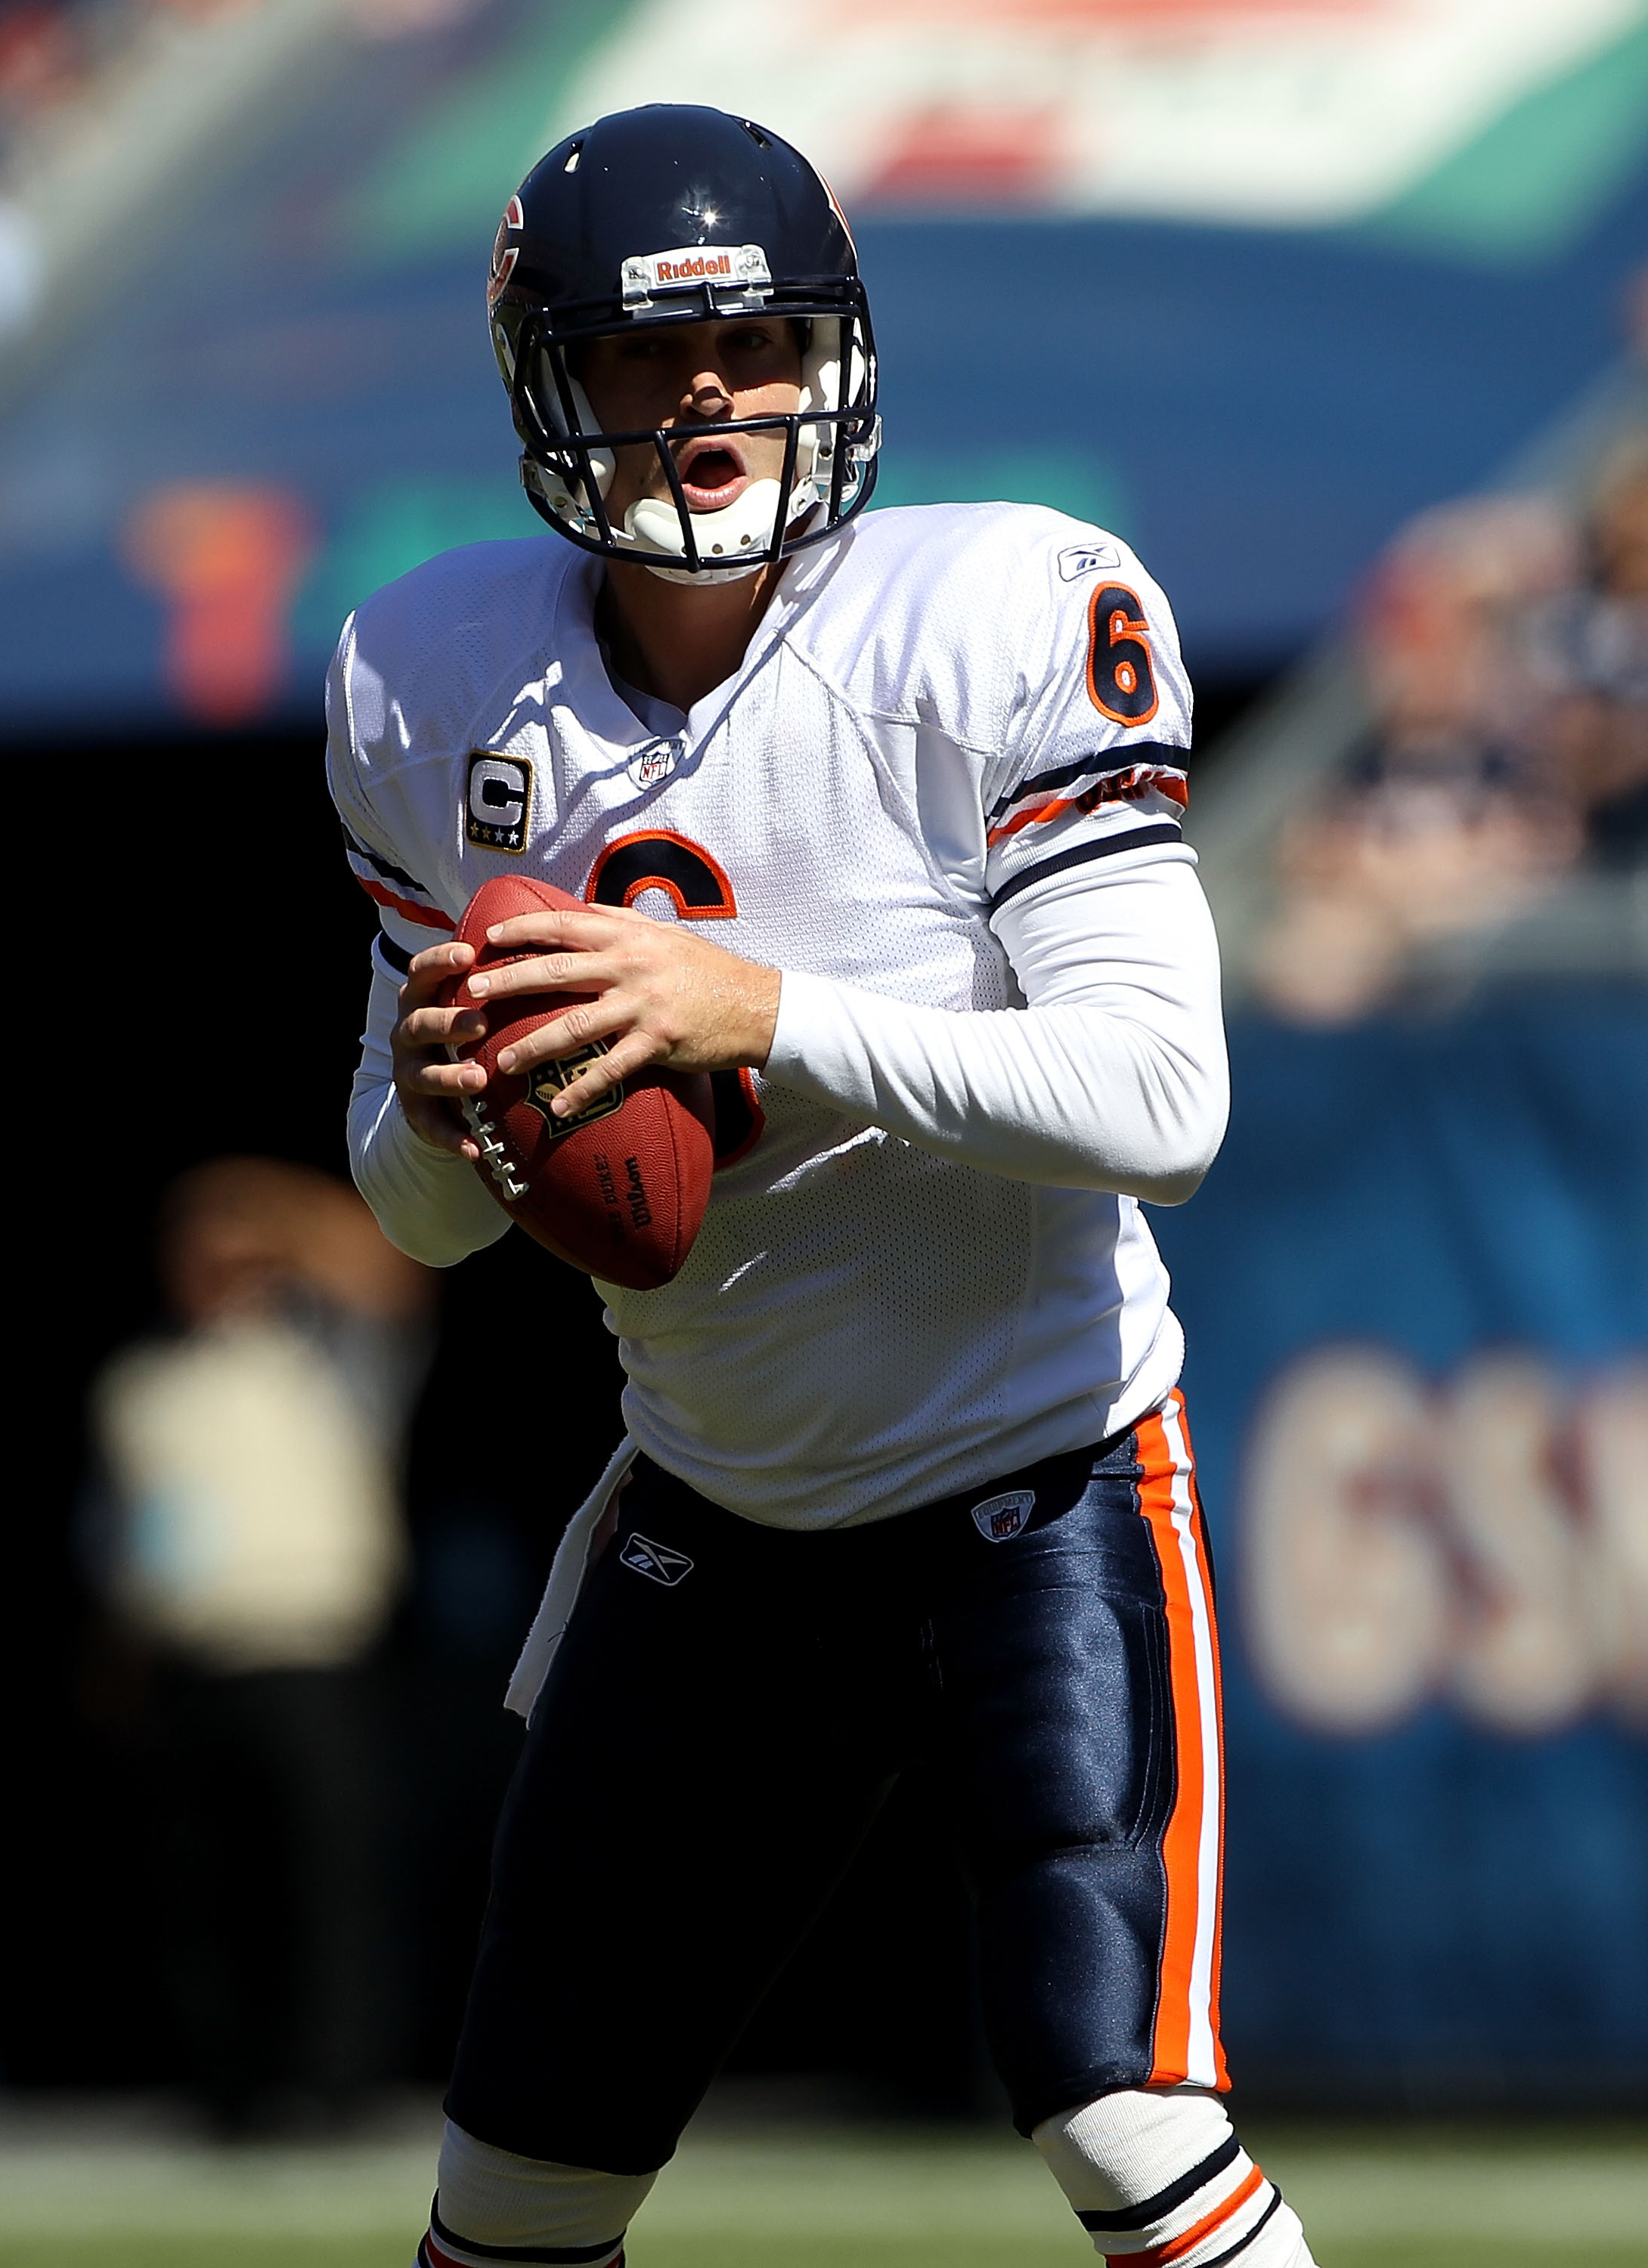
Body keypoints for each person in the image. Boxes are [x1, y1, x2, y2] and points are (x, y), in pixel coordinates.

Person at [327, 104, 1318, 2268]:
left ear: (831, 354)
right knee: (513, 2193)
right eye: (633, 360)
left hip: (1032, 1476)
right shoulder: (424, 677)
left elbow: (1161, 1097)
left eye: (751, 344)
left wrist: (744, 1010)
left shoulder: (994, 608)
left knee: (1124, 2119)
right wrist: (433, 1108)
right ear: (543, 385)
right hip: (715, 1512)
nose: (700, 402)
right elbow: (412, 1220)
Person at [88, 1157, 429, 2129]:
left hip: (313, 1651)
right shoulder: (142, 1379)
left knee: (327, 1885)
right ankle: (227, 2095)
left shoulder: (328, 1355)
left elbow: (389, 1268)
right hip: (195, 1660)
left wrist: (260, 1207)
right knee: (204, 1897)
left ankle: (336, 2091)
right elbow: (121, 1535)